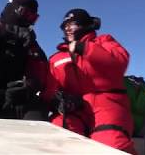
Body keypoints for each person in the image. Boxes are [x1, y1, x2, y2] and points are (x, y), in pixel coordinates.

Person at [41, 8, 137, 154]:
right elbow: (50, 90)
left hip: (107, 105)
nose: (67, 29)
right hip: (76, 109)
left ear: (85, 25)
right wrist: (56, 102)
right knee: (58, 134)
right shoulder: (56, 59)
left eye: (72, 24)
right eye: (64, 26)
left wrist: (84, 48)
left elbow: (119, 61)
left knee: (110, 144)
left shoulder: (104, 42)